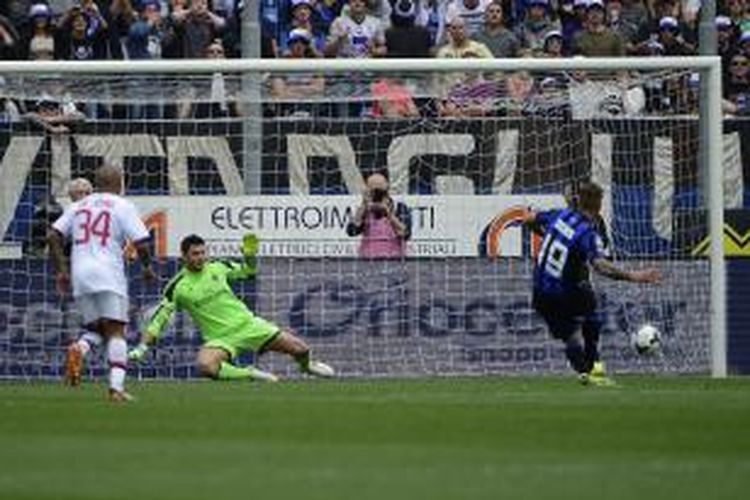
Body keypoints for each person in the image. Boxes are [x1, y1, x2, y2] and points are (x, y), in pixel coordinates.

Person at [128, 233, 335, 381]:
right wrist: (142, 347)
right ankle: (250, 373)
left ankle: (307, 367)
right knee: (205, 365)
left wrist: (250, 256)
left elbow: (248, 271)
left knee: (301, 349)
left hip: (248, 325)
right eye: (195, 254)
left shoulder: (218, 266)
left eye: (202, 253)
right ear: (184, 256)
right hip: (220, 338)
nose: (200, 257)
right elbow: (158, 321)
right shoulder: (177, 286)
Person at [524, 181, 661, 386]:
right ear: (598, 206)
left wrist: (548, 235)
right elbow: (600, 266)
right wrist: (634, 276)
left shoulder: (560, 215)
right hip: (561, 292)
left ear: (578, 201)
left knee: (578, 322)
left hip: (539, 291)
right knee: (587, 315)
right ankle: (592, 370)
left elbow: (528, 218)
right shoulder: (587, 232)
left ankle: (587, 370)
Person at [48, 165, 155, 402]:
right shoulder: (122, 205)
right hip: (108, 273)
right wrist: (147, 266)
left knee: (98, 328)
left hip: (80, 273)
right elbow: (143, 243)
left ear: (96, 183)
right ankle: (116, 389)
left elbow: (52, 235)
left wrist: (62, 271)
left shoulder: (78, 205)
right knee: (117, 330)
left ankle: (80, 348)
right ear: (120, 183)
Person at [346, 172, 411, 258]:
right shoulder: (364, 209)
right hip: (368, 260)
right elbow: (352, 231)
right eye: (373, 191)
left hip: (395, 260)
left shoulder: (399, 207)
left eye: (379, 191)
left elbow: (405, 234)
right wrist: (363, 206)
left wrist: (389, 214)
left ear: (387, 189)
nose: (377, 195)